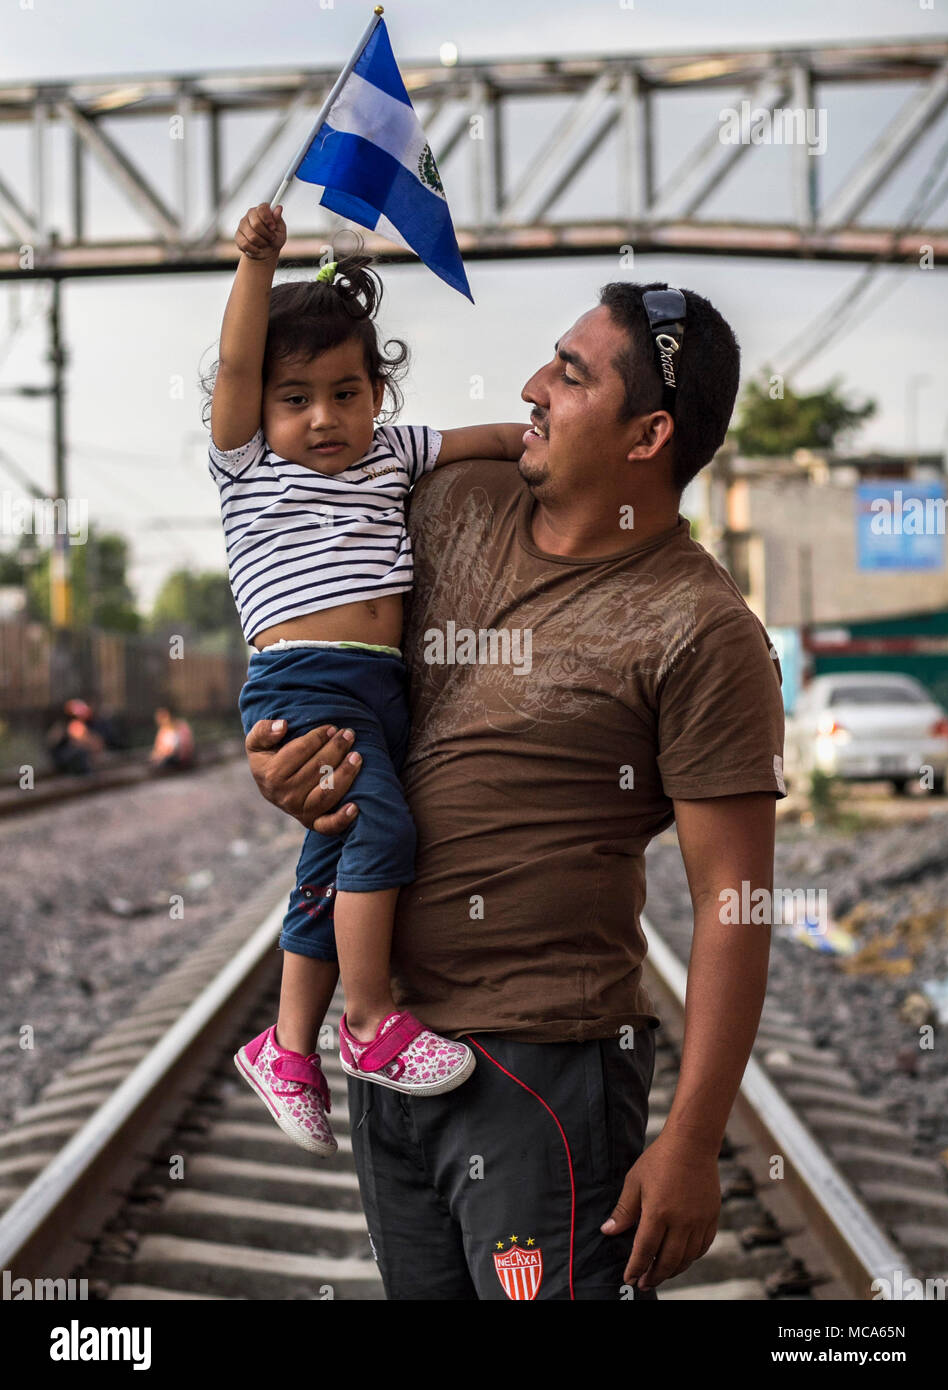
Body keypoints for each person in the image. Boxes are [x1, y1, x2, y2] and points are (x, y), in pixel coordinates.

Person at [244, 280, 788, 1300]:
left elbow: (733, 901)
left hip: (540, 1069)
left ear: (647, 434)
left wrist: (691, 1137)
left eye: (570, 375)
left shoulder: (701, 629)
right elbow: (319, 639)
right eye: (550, 360)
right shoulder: (450, 503)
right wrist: (281, 763)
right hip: (392, 1057)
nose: (532, 386)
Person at [204, 203, 527, 1157]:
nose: (324, 418)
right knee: (383, 829)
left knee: (329, 860)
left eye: (347, 393)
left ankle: (287, 1046)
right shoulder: (247, 463)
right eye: (295, 397)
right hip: (302, 684)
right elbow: (233, 366)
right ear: (260, 407)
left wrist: (547, 437)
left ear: (377, 394)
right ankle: (370, 1020)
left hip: (377, 692)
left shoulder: (394, 450)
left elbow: (485, 442)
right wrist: (257, 266)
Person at [148, 705, 195, 773]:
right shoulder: (162, 731)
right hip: (166, 757)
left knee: (166, 761)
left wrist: (168, 752)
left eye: (163, 716)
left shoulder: (181, 726)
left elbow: (186, 746)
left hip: (180, 757)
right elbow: (158, 747)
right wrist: (157, 754)